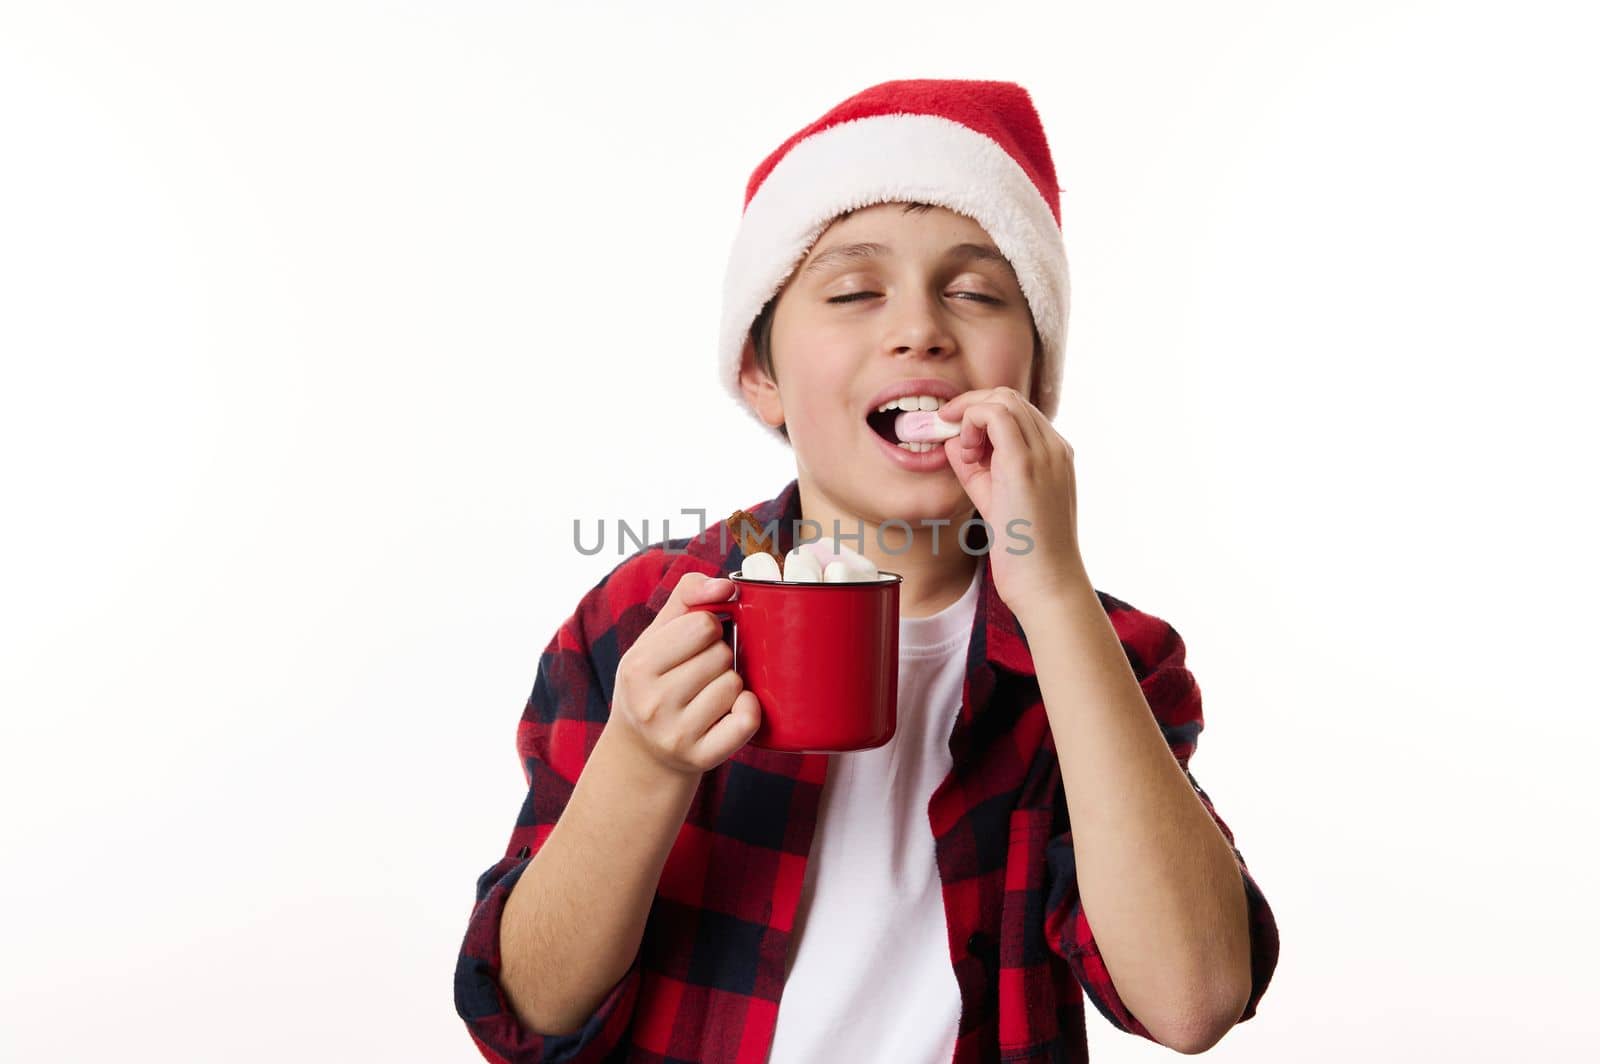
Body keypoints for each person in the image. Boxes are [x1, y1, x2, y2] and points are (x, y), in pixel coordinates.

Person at [453, 78, 1279, 1063]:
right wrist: (644, 759)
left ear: (1033, 383)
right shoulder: (648, 615)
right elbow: (526, 1015)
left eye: (975, 292)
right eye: (853, 292)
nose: (921, 328)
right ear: (760, 377)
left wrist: (1051, 592)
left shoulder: (1112, 660)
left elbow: (1191, 1001)